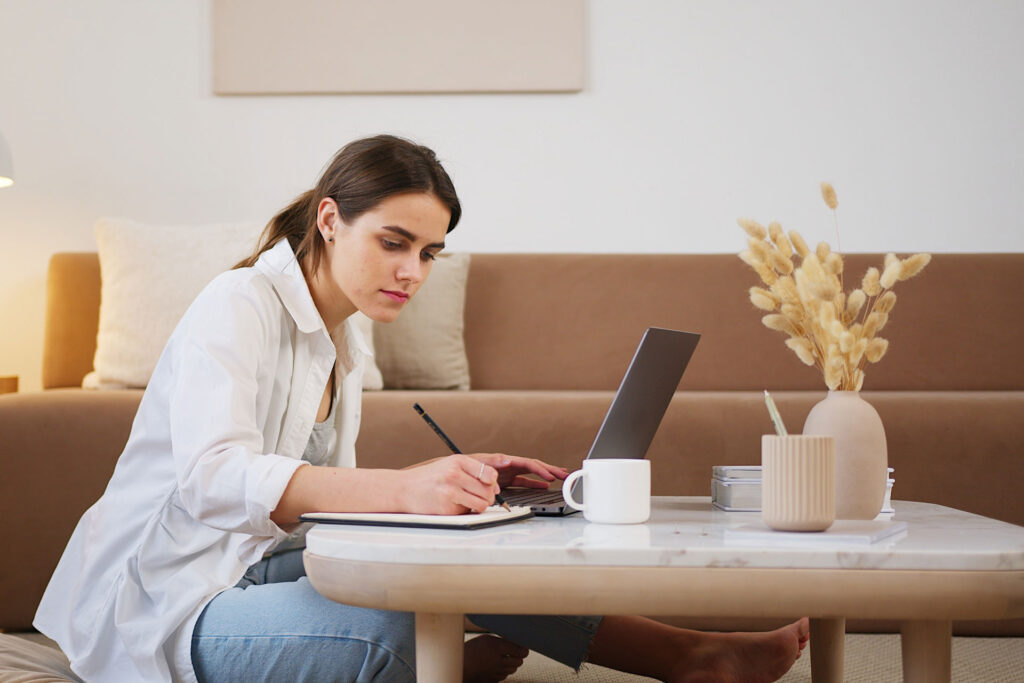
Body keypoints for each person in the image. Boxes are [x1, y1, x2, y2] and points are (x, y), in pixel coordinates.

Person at [35, 134, 809, 682]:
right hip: (165, 601)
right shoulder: (238, 303)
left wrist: (448, 488)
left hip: (250, 567)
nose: (413, 271)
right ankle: (438, 665)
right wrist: (405, 491)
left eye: (429, 253)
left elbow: (314, 503)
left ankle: (688, 655)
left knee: (465, 553)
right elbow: (213, 477)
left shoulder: (346, 335)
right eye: (395, 242)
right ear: (331, 219)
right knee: (395, 625)